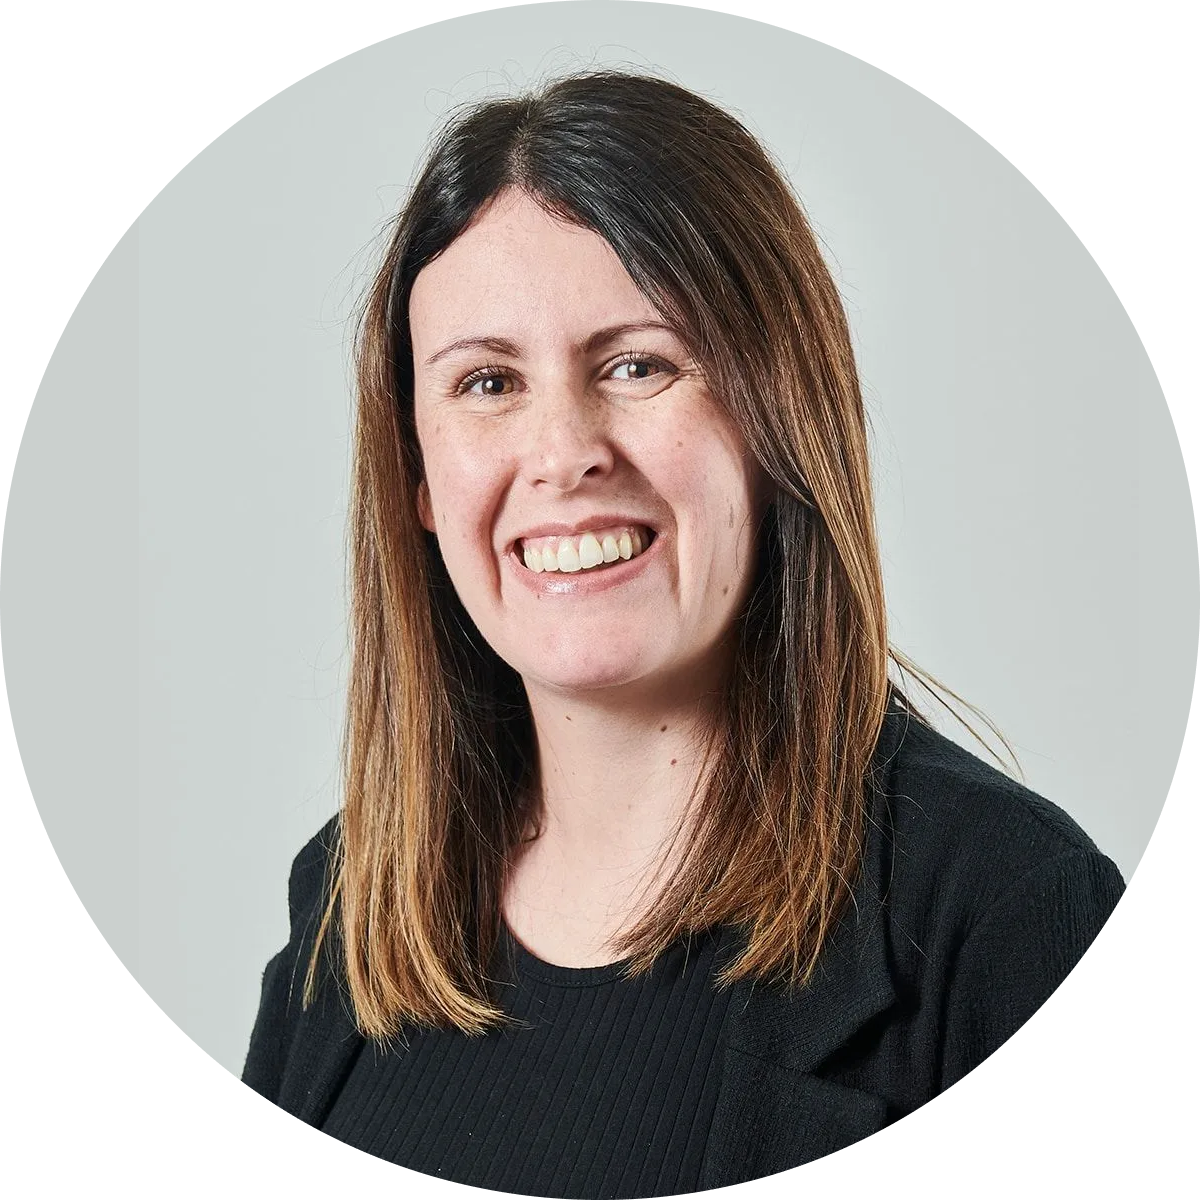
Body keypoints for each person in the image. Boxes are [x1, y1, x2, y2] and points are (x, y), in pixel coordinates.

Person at [242, 70, 1125, 1191]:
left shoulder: (1004, 916)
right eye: (487, 383)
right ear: (418, 475)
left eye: (637, 364)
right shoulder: (349, 910)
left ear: (776, 417)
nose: (564, 453)